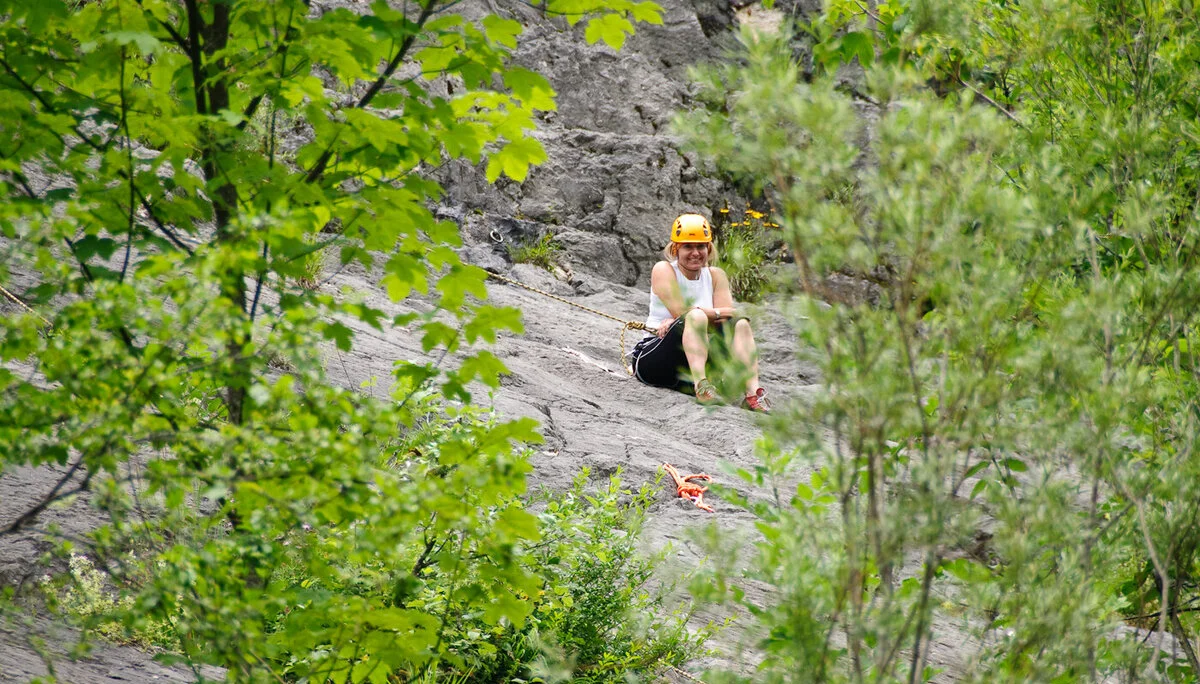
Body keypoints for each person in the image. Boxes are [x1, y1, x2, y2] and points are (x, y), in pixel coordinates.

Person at [629, 213, 771, 412]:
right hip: (657, 358)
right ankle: (702, 386)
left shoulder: (715, 276)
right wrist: (702, 314)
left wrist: (696, 314)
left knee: (740, 324)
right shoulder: (663, 269)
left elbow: (729, 317)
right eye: (688, 246)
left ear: (708, 248)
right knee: (695, 317)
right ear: (676, 248)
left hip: (691, 363)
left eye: (700, 246)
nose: (695, 252)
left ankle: (752, 395)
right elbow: (682, 312)